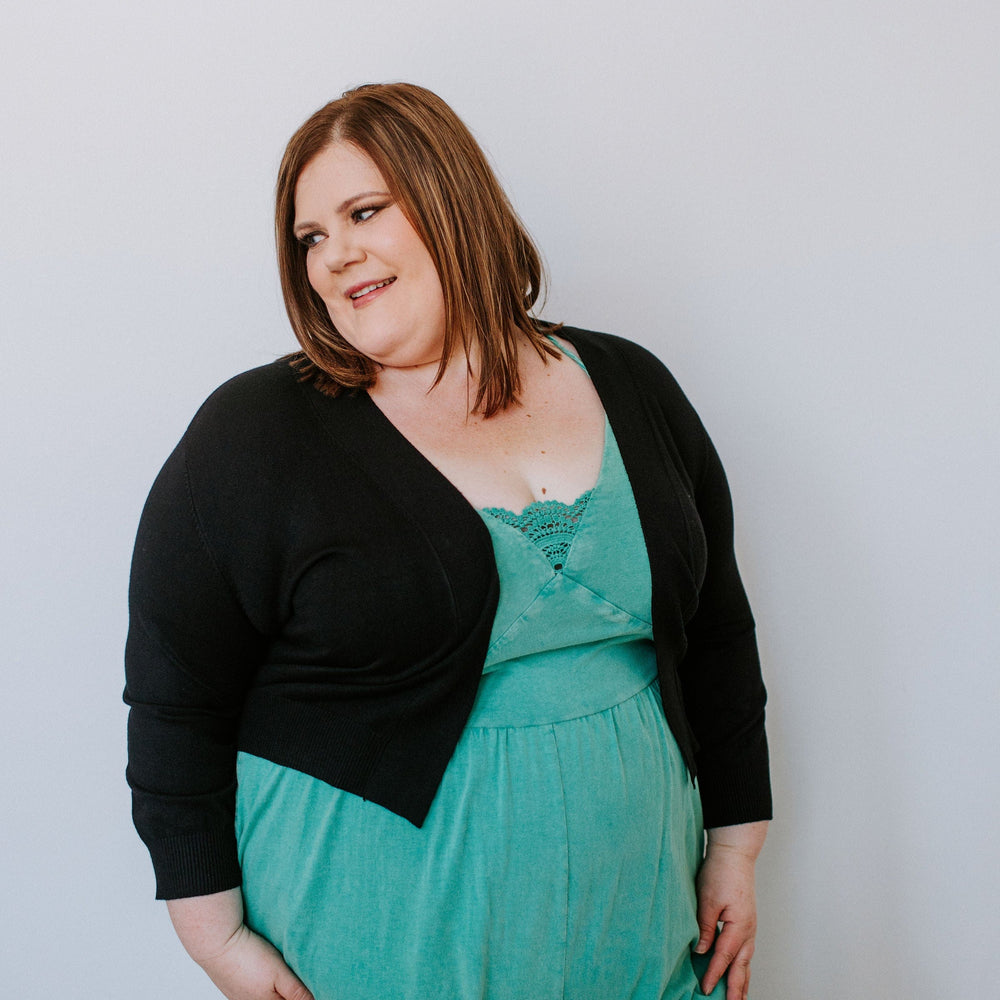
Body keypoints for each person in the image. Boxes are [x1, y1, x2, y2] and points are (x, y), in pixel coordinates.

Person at [125, 82, 771, 1000]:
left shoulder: (631, 381)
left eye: (363, 211)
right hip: (374, 939)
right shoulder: (258, 433)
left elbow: (717, 632)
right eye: (310, 237)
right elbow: (173, 692)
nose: (334, 254)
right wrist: (212, 931)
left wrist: (736, 846)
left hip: (637, 922)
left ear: (450, 198)